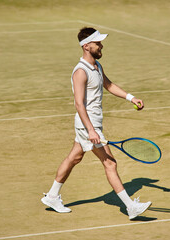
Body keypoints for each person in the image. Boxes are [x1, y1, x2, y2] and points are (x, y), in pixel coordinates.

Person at [41, 27, 151, 220]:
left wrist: (131, 98)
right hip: (87, 125)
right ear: (86, 46)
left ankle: (52, 196)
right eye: (97, 43)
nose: (101, 46)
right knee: (110, 163)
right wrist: (91, 130)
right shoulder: (80, 72)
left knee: (75, 158)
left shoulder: (97, 66)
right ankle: (130, 207)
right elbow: (78, 104)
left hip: (92, 124)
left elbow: (108, 85)